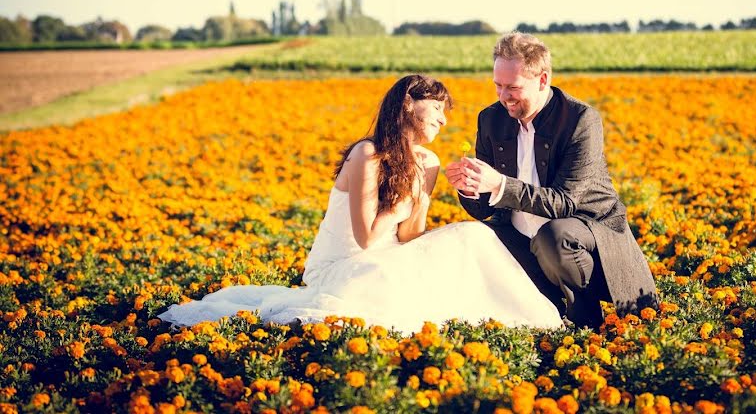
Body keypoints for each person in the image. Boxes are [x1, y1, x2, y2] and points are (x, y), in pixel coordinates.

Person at [158, 74, 562, 333]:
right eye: (436, 108)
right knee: (390, 284)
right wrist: (406, 203)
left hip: (387, 258)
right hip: (343, 267)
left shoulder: (429, 161)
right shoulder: (366, 155)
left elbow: (410, 237)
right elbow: (368, 238)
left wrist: (432, 195)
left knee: (473, 234)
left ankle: (528, 319)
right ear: (408, 103)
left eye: (445, 113)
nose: (443, 120)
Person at [445, 33, 658, 327]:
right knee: (474, 237)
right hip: (521, 233)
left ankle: (586, 322)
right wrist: (469, 188)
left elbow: (565, 202)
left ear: (542, 80)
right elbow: (485, 210)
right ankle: (524, 322)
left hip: (586, 230)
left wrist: (498, 184)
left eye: (513, 87)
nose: (504, 96)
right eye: (498, 86)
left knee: (554, 237)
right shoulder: (490, 119)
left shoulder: (580, 119)